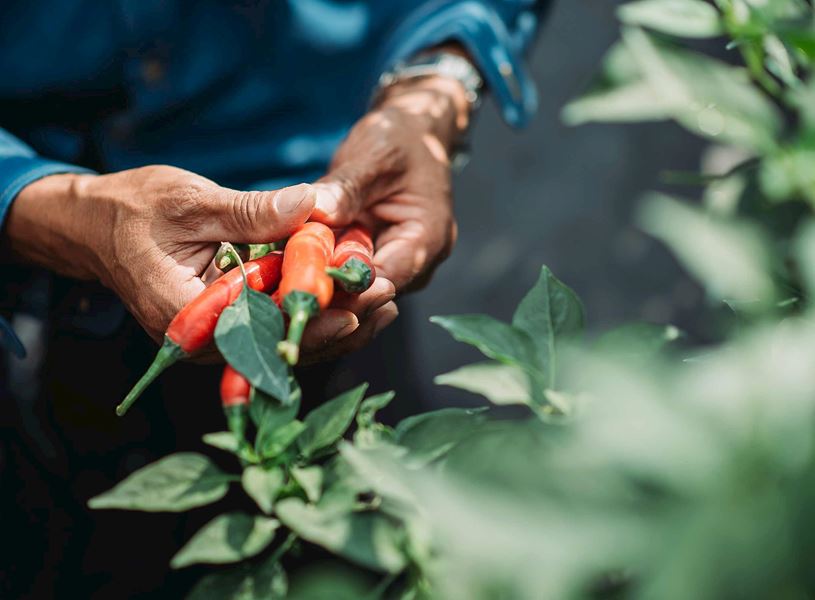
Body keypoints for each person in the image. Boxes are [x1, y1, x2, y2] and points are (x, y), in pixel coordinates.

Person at [0, 1, 547, 596]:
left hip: (330, 211)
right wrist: (38, 200)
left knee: (386, 537)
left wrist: (437, 83)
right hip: (37, 281)